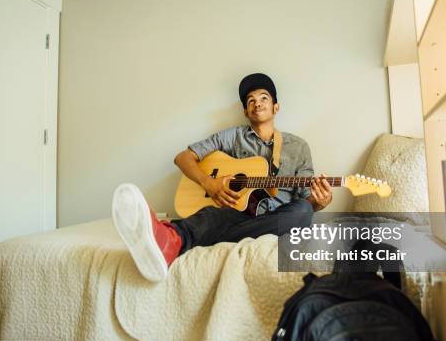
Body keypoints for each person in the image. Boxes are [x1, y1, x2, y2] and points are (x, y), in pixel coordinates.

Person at [112, 73, 333, 281]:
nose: (257, 103)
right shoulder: (232, 136)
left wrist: (319, 201)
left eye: (264, 98)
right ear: (246, 111)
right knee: (213, 214)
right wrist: (209, 182)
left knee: (302, 211)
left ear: (276, 107)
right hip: (238, 214)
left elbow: (307, 199)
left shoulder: (298, 147)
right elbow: (183, 158)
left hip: (277, 219)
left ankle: (198, 236)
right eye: (250, 100)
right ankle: (168, 239)